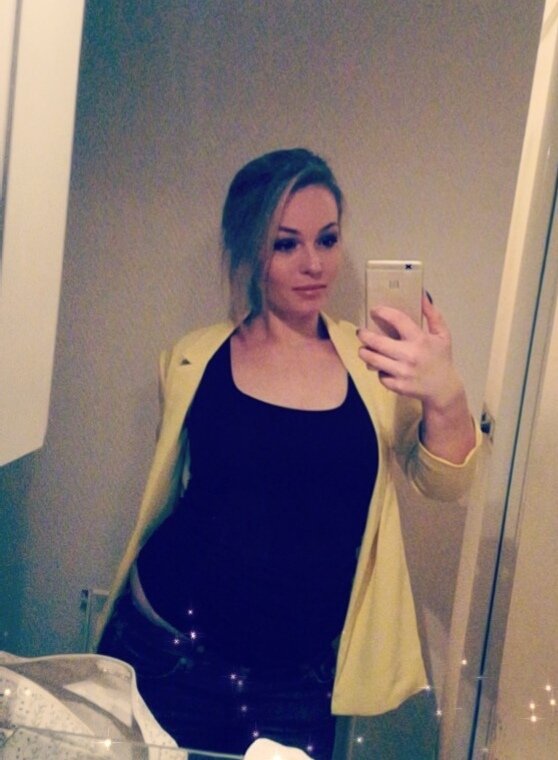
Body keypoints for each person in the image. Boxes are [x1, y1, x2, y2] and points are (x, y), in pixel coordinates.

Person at [96, 148, 480, 759]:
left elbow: (445, 483)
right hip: (167, 651)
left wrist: (447, 393)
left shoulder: (375, 363)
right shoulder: (192, 359)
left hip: (297, 680)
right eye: (285, 244)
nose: (314, 263)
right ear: (251, 252)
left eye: (327, 239)